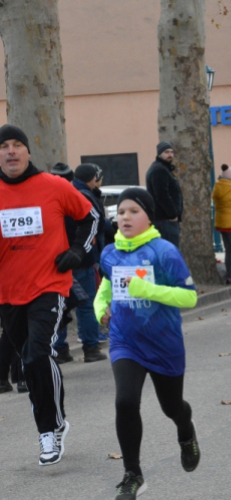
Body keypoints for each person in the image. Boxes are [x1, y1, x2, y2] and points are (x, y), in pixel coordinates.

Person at [0, 124, 99, 466]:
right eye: (4, 147)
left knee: (36, 352)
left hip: (49, 286)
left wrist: (77, 252)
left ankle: (50, 429)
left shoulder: (53, 187)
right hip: (8, 293)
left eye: (17, 145)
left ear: (28, 152)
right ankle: (52, 421)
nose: (11, 151)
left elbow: (92, 217)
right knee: (31, 362)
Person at [94, 188, 199, 499]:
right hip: (125, 341)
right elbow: (106, 289)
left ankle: (185, 429)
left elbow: (189, 296)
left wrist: (147, 289)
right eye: (121, 211)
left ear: (149, 217)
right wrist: (102, 310)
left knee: (172, 407)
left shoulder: (164, 251)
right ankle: (132, 474)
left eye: (133, 211)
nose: (125, 216)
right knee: (125, 401)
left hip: (164, 343)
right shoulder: (109, 253)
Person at [52, 164, 108, 362]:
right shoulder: (81, 196)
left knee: (59, 306)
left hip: (56, 261)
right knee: (86, 304)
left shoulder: (50, 198)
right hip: (82, 258)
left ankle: (60, 349)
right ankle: (90, 347)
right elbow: (99, 224)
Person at [146, 141, 183, 248]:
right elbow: (162, 195)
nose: (170, 155)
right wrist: (172, 214)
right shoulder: (159, 170)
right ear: (159, 154)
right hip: (164, 221)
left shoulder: (162, 169)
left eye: (171, 152)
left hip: (165, 220)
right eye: (166, 152)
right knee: (169, 252)